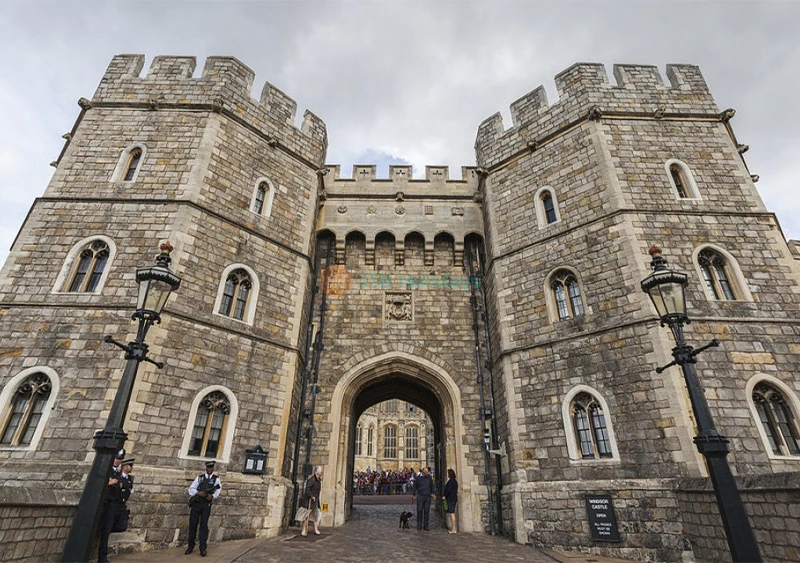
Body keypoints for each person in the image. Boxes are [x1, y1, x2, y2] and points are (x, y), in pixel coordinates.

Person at [98, 452, 134, 563]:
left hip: (120, 505)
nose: (118, 460)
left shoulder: (125, 477)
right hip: (111, 504)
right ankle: (102, 558)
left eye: (120, 459)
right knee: (106, 531)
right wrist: (111, 482)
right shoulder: (113, 473)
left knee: (122, 526)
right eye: (117, 458)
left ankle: (101, 528)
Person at [186, 461, 222, 557]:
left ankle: (203, 548)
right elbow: (191, 489)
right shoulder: (200, 478)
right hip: (197, 504)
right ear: (206, 468)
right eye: (208, 468)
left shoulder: (216, 479)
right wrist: (198, 493)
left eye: (211, 468)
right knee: (193, 525)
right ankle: (190, 546)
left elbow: (218, 490)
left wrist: (212, 496)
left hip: (206, 505)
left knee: (203, 526)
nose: (210, 469)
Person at [297, 466, 323, 536]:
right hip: (309, 500)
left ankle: (315, 529)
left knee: (315, 515)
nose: (321, 473)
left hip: (315, 500)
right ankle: (303, 529)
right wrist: (311, 496)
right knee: (306, 515)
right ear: (317, 472)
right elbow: (307, 489)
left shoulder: (318, 481)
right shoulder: (311, 480)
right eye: (320, 471)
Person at [412, 466, 436, 531]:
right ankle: (419, 525)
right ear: (422, 471)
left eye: (427, 471)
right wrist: (414, 494)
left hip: (428, 496)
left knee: (426, 511)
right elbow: (415, 486)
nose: (426, 473)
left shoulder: (429, 478)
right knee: (419, 510)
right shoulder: (418, 478)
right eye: (425, 471)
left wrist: (433, 493)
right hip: (420, 496)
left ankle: (426, 525)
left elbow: (432, 486)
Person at [443, 468, 458, 534]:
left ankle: (454, 529)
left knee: (452, 513)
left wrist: (444, 495)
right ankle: (454, 528)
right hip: (454, 498)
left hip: (450, 499)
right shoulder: (455, 481)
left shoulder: (451, 482)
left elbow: (448, 490)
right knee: (452, 513)